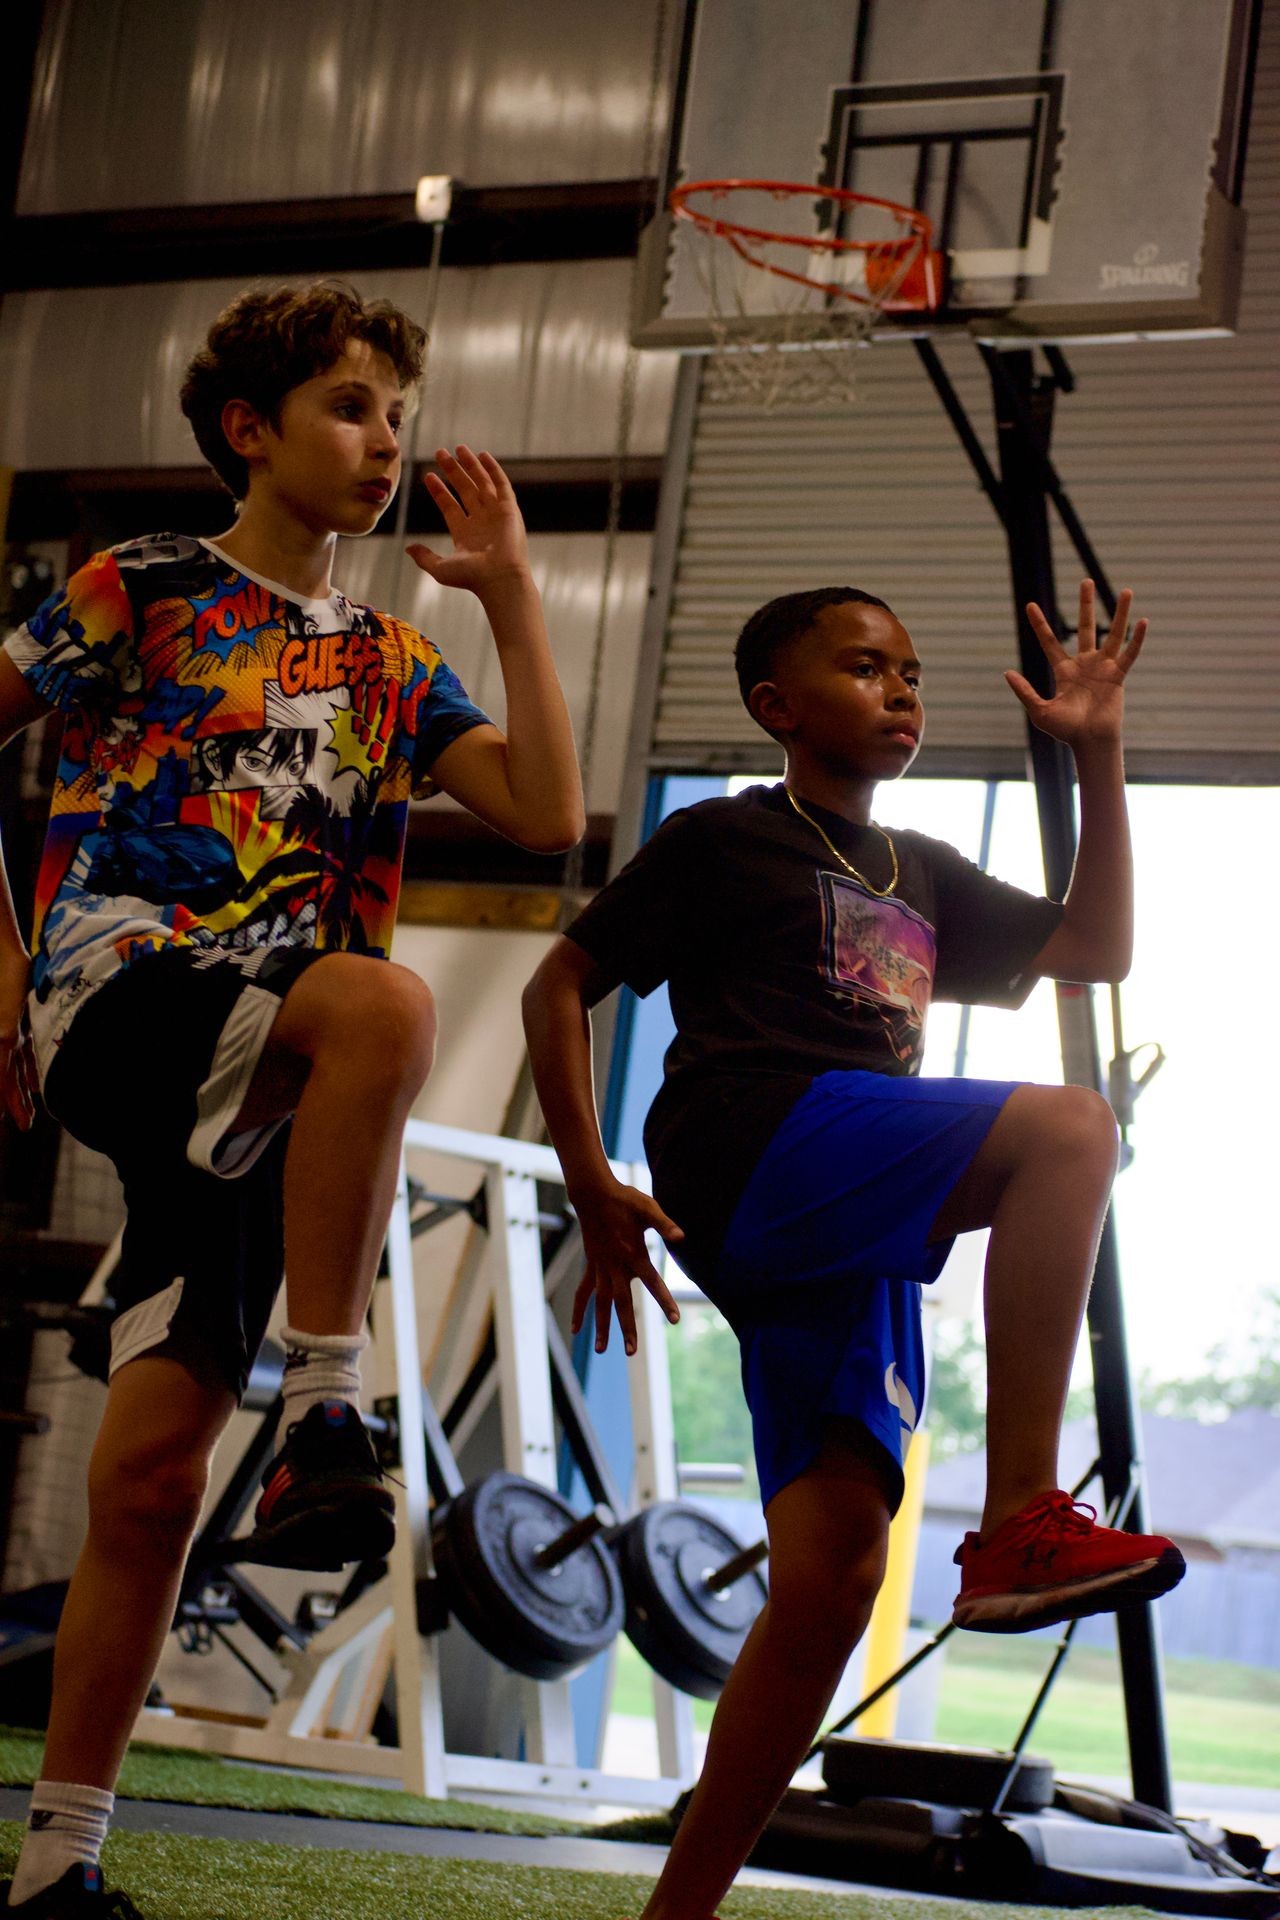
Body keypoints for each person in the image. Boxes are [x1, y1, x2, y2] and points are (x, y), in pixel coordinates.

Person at [0, 280, 583, 1918]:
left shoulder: (395, 661)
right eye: (347, 405)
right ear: (248, 431)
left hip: (273, 1072)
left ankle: (60, 1868)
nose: (384, 438)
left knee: (152, 1475)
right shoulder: (146, 589)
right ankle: (330, 1399)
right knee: (386, 999)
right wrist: (6, 971)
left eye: (397, 412)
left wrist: (516, 597)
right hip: (123, 994)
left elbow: (545, 810)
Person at [521, 579, 1184, 1920]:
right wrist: (590, 1180)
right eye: (867, 667)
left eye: (913, 671)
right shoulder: (725, 840)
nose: (902, 690)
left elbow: (1096, 946)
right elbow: (557, 983)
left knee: (831, 1578)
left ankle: (677, 1915)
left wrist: (1098, 749)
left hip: (849, 1212)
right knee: (1068, 1131)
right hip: (757, 1140)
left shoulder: (923, 872)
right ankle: (1015, 1523)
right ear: (777, 708)